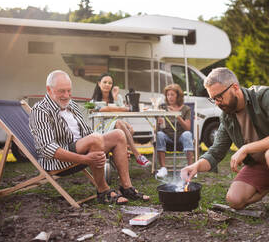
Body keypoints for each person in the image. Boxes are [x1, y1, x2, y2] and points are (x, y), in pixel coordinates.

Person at [181, 67, 269, 215]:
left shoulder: (264, 95)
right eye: (213, 99)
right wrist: (195, 166)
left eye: (219, 96)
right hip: (260, 164)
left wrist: (246, 148)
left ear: (235, 87)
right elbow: (215, 153)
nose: (217, 103)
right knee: (235, 200)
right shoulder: (226, 116)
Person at [29, 70, 150, 205]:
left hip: (84, 150)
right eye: (61, 91)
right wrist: (84, 159)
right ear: (49, 90)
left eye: (69, 91)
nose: (67, 96)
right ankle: (103, 190)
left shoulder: (71, 105)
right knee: (95, 139)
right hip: (58, 161)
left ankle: (127, 187)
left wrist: (114, 151)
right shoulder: (40, 110)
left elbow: (86, 133)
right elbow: (47, 148)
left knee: (119, 134)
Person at [91, 73, 151, 167]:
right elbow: (106, 110)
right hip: (102, 129)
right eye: (105, 82)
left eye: (110, 83)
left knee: (125, 127)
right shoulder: (94, 101)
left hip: (117, 126)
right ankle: (137, 155)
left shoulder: (118, 97)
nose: (107, 85)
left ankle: (123, 154)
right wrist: (115, 107)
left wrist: (114, 99)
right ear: (99, 83)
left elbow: (123, 112)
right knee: (121, 124)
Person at [156, 84, 194, 178]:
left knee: (187, 134)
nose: (170, 97)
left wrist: (178, 116)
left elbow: (188, 127)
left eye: (172, 94)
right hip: (167, 137)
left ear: (178, 96)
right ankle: (163, 168)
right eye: (168, 95)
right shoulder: (162, 108)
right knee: (159, 134)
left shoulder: (186, 109)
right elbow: (158, 128)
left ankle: (190, 167)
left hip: (181, 137)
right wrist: (158, 123)